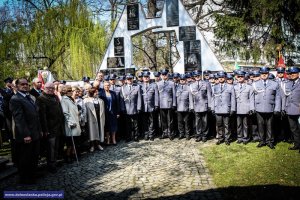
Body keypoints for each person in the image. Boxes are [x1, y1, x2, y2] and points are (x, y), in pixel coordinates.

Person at [9, 78, 41, 184]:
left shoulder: (29, 98)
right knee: (25, 158)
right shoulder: (15, 99)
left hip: (35, 133)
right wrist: (26, 135)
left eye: (26, 84)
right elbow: (19, 119)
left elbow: (35, 116)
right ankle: (24, 178)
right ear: (17, 86)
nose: (25, 85)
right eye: (22, 84)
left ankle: (32, 175)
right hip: (26, 135)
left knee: (34, 156)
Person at [36, 82, 64, 173]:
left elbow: (60, 110)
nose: (51, 89)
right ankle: (50, 165)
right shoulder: (41, 99)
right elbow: (42, 116)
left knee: (56, 147)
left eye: (53, 88)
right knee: (50, 148)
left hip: (58, 127)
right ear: (44, 88)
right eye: (49, 88)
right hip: (49, 128)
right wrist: (45, 130)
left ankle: (54, 162)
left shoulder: (55, 97)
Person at [252, 67, 281, 149]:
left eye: (265, 74)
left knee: (270, 126)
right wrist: (253, 107)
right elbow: (252, 97)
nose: (264, 75)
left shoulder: (274, 84)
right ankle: (262, 141)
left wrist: (277, 109)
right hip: (259, 108)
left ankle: (270, 141)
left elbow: (278, 97)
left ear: (268, 74)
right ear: (260, 75)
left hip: (270, 108)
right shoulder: (255, 84)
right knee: (260, 125)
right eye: (262, 74)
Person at [212, 71, 236, 145]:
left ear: (225, 78)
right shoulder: (214, 87)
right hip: (218, 109)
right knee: (219, 125)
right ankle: (220, 138)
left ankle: (227, 139)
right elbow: (213, 98)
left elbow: (233, 99)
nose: (221, 79)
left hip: (226, 109)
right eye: (219, 77)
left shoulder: (230, 86)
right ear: (218, 78)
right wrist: (213, 108)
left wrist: (233, 109)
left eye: (222, 77)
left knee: (227, 125)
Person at [60, 85, 81, 163]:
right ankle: (68, 156)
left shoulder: (70, 99)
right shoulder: (64, 100)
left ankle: (73, 154)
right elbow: (65, 112)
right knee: (70, 142)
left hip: (75, 121)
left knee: (74, 141)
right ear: (65, 92)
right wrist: (70, 122)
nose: (71, 92)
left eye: (71, 90)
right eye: (69, 91)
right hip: (71, 124)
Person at [190, 70, 212, 142]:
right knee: (197, 122)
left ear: (200, 75)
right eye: (195, 76)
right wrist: (192, 107)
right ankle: (198, 135)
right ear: (194, 77)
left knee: (205, 121)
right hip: (196, 106)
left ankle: (204, 135)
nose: (197, 77)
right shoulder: (191, 85)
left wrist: (209, 105)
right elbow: (191, 97)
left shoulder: (206, 83)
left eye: (198, 75)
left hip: (204, 105)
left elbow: (209, 95)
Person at [282, 67, 300, 152]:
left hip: (298, 109)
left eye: (294, 73)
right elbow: (285, 97)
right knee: (293, 128)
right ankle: (297, 144)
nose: (292, 75)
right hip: (290, 110)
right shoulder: (288, 84)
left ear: (298, 74)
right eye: (291, 73)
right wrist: (285, 108)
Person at [234, 71, 255, 144]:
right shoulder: (234, 87)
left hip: (246, 108)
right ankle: (239, 137)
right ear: (237, 78)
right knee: (239, 124)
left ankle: (245, 138)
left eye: (241, 77)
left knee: (246, 125)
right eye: (238, 77)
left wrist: (251, 108)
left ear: (244, 77)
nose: (240, 78)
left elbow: (251, 98)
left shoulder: (249, 87)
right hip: (237, 108)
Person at [120, 73, 142, 142]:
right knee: (127, 125)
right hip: (126, 109)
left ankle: (136, 137)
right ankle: (128, 137)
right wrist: (123, 108)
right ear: (126, 80)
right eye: (128, 79)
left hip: (134, 108)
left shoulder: (137, 87)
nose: (129, 80)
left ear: (133, 79)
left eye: (130, 79)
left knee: (136, 124)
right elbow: (121, 100)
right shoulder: (123, 88)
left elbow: (139, 98)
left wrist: (139, 107)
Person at [157, 69, 176, 140]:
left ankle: (171, 133)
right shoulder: (158, 84)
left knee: (170, 120)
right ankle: (164, 133)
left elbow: (174, 94)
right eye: (163, 75)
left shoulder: (171, 83)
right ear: (161, 75)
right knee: (163, 120)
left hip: (169, 104)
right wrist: (157, 104)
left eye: (165, 75)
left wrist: (174, 104)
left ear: (167, 75)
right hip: (161, 104)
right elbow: (157, 95)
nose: (164, 76)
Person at [83, 87, 105, 152]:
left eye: (97, 92)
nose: (97, 93)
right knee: (92, 132)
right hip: (91, 118)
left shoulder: (100, 100)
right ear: (92, 92)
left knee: (99, 130)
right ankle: (92, 145)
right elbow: (84, 111)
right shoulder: (86, 100)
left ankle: (98, 144)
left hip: (99, 117)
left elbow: (103, 111)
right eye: (95, 92)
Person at [140, 71, 159, 141]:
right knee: (144, 121)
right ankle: (146, 134)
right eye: (145, 77)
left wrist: (156, 105)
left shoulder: (154, 85)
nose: (146, 78)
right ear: (142, 78)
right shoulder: (140, 86)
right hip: (143, 107)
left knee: (152, 121)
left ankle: (151, 134)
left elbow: (156, 96)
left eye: (147, 77)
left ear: (149, 77)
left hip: (151, 106)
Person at [176, 74, 193, 140]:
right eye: (181, 80)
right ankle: (181, 134)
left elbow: (190, 98)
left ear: (186, 80)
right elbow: (175, 98)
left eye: (183, 80)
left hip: (186, 108)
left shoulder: (188, 88)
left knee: (187, 122)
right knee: (180, 122)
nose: (182, 81)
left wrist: (191, 107)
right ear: (179, 80)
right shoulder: (177, 87)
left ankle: (187, 134)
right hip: (179, 108)